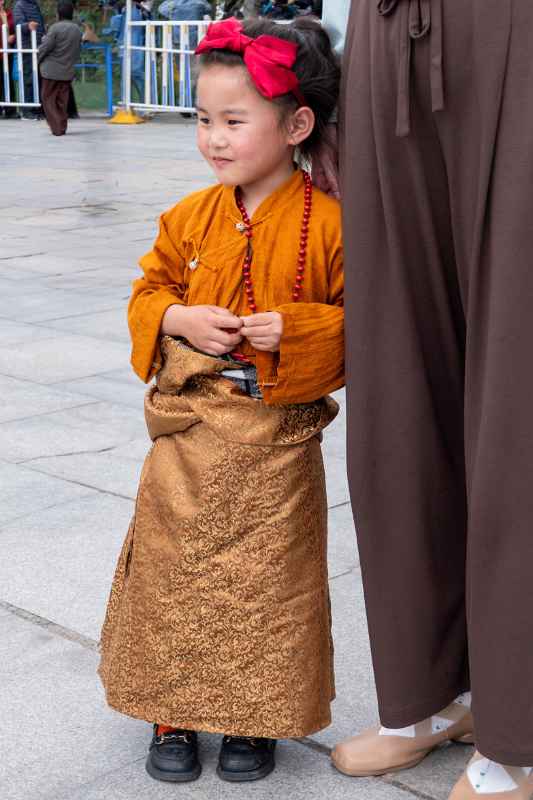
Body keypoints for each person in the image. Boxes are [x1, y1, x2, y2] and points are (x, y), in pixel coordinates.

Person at [98, 14, 343, 785]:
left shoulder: (333, 224)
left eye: (234, 121)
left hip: (277, 446)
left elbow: (366, 320)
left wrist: (300, 329)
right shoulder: (189, 217)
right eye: (204, 120)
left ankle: (252, 719)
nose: (213, 138)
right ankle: (169, 712)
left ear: (295, 125)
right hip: (190, 438)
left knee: (268, 589)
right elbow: (148, 290)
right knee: (172, 576)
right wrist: (177, 317)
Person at [322, 2, 533, 799]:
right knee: (395, 381)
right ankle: (431, 691)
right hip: (384, 33)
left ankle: (518, 728)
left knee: (516, 385)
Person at [37, 1, 82, 136]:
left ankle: (56, 128)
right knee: (62, 100)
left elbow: (46, 47)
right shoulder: (77, 30)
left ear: (58, 13)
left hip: (51, 71)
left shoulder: (55, 28)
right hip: (67, 70)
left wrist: (38, 59)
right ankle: (62, 126)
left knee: (48, 99)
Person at [13, 0, 44, 118]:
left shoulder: (35, 4)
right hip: (26, 47)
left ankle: (36, 107)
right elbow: (18, 25)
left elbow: (41, 23)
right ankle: (26, 109)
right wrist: (27, 25)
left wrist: (43, 35)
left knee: (38, 78)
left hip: (38, 46)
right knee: (28, 79)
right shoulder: (19, 5)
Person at [0, 0, 17, 116]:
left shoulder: (10, 13)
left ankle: (10, 110)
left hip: (8, 52)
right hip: (0, 51)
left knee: (8, 80)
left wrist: (13, 36)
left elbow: (15, 29)